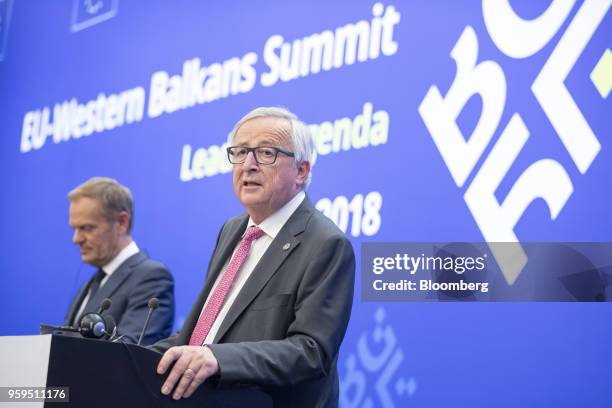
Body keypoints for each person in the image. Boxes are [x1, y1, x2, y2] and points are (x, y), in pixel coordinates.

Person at [152, 107, 355, 407]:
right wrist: (125, 355)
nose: (248, 165)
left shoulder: (326, 244)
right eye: (240, 152)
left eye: (266, 153)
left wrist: (216, 358)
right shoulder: (232, 230)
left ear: (301, 171)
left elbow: (310, 351)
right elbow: (204, 332)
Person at [65, 177, 175, 345]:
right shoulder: (91, 284)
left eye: (87, 228)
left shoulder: (152, 278)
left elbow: (129, 350)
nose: (76, 239)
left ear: (122, 222)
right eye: (74, 229)